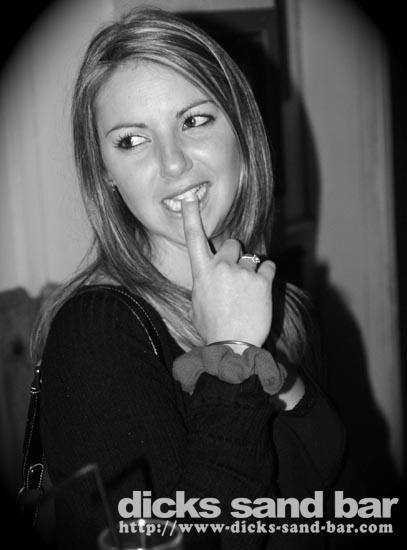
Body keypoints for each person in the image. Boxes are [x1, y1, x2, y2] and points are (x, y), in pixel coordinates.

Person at [30, 7, 349, 550]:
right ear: (106, 173)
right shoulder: (97, 334)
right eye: (132, 140)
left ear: (241, 131)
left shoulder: (280, 305)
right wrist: (231, 355)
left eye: (194, 121)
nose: (173, 162)